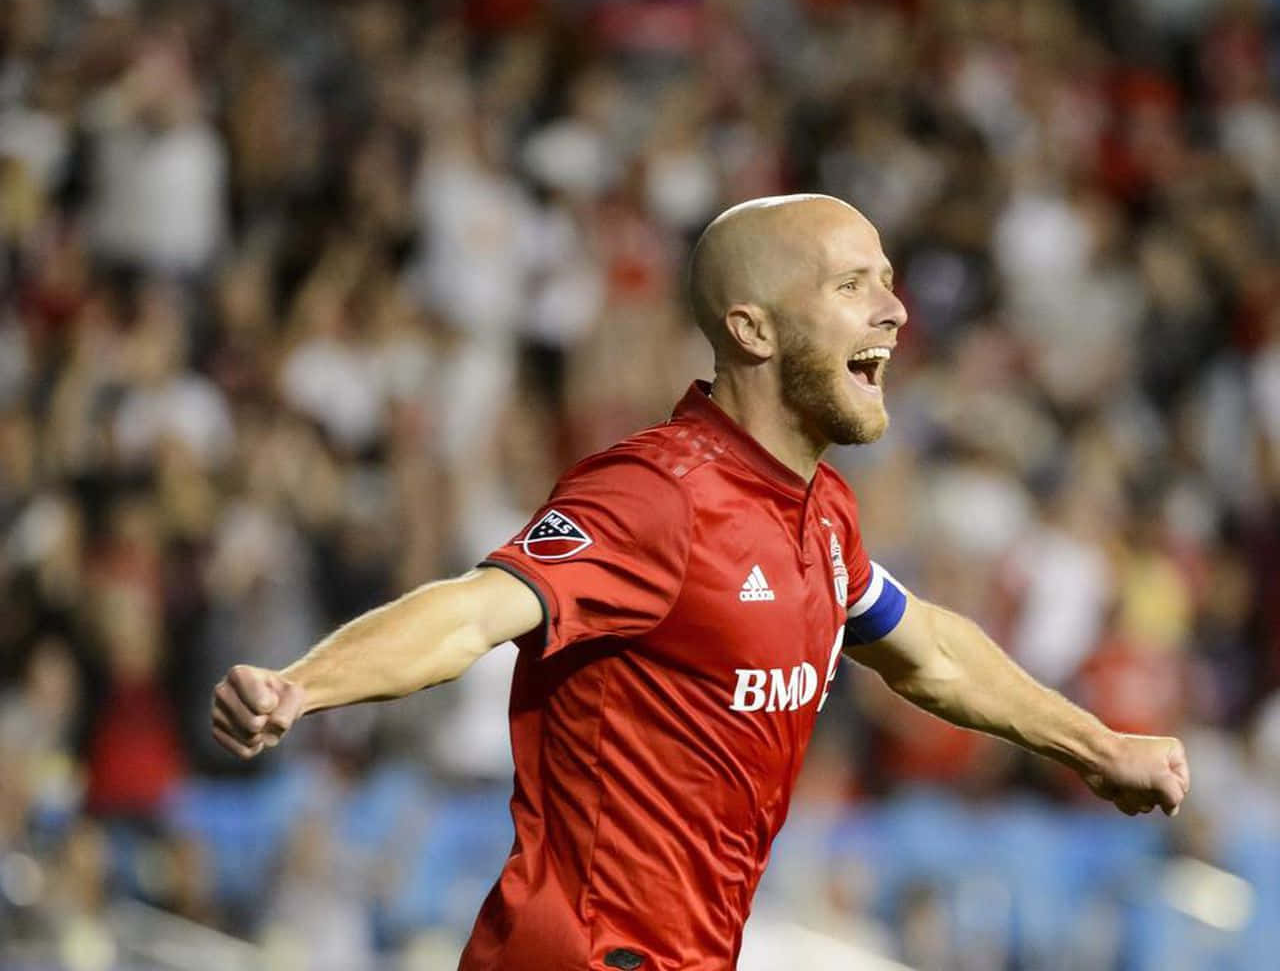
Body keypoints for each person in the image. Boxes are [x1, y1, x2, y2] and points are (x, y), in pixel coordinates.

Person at [211, 195, 1190, 971]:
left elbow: (926, 651)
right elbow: (476, 607)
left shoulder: (820, 512)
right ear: (752, 330)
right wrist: (305, 686)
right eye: (851, 285)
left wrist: (1095, 744)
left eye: (887, 282)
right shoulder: (657, 496)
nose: (894, 310)